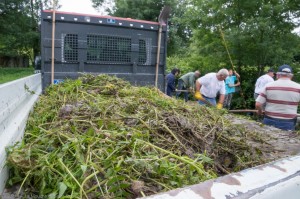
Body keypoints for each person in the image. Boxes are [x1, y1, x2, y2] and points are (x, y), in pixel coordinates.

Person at [255, 65, 300, 131]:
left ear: (278, 75)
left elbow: (258, 104)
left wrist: (260, 111)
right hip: (288, 122)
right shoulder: (298, 87)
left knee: (267, 139)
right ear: (291, 76)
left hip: (269, 120)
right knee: (285, 140)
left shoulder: (268, 86)